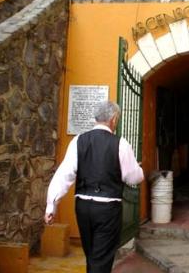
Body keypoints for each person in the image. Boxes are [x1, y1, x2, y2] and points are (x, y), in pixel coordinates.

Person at [45, 101, 144, 273]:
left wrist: (51, 206)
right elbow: (134, 177)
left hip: (83, 207)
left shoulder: (78, 141)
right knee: (101, 258)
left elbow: (64, 174)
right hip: (108, 209)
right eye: (117, 119)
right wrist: (137, 167)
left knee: (92, 254)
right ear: (113, 119)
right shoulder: (120, 143)